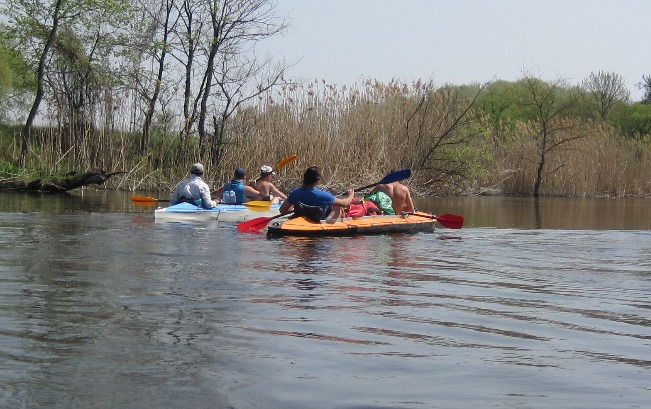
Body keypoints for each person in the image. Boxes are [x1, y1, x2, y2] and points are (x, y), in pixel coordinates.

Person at [279, 165, 354, 220]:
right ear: (317, 180)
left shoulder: (295, 193)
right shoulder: (323, 195)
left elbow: (282, 210)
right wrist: (350, 195)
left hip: (301, 222)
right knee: (338, 208)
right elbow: (345, 203)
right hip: (318, 223)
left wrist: (293, 205)